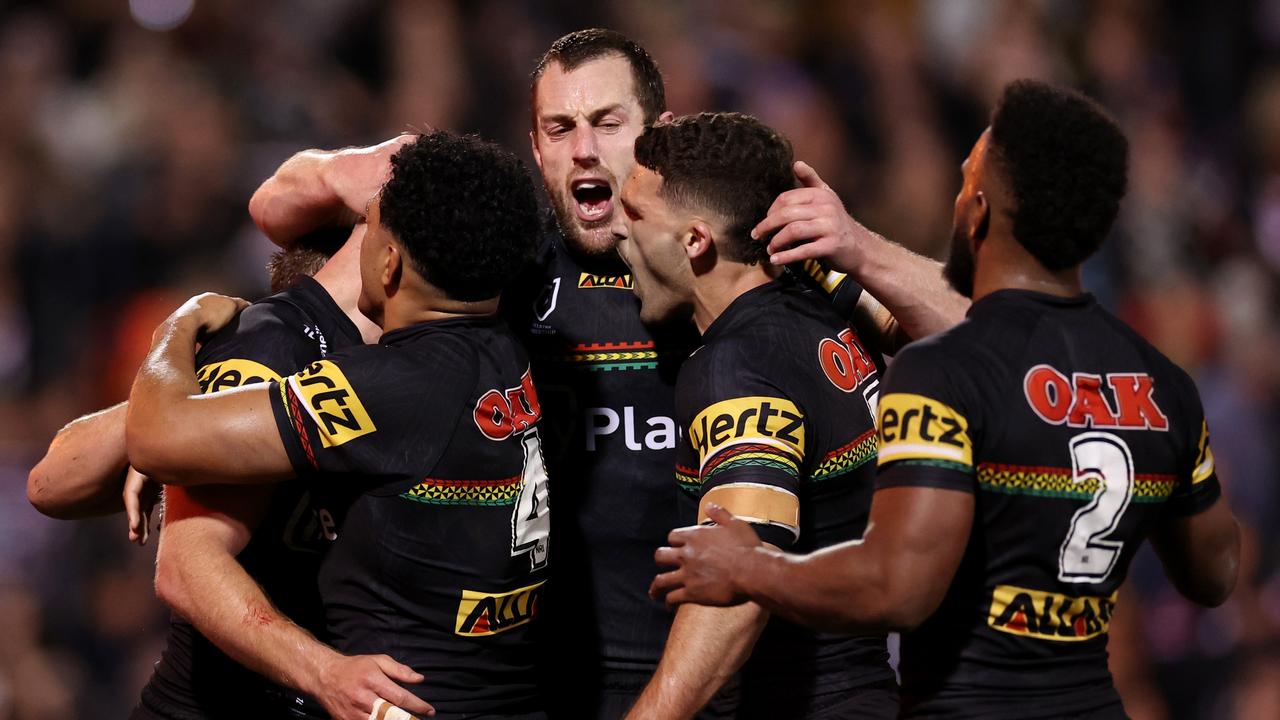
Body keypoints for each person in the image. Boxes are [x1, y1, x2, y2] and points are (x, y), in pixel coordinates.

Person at [249, 29, 965, 717]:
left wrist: (862, 250)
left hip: (720, 678)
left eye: (607, 121)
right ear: (534, 147)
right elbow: (277, 215)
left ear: (657, 131)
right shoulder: (496, 257)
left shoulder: (754, 249)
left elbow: (974, 338)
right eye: (559, 129)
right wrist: (353, 169)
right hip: (550, 684)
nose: (584, 149)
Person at [649, 80, 1242, 719]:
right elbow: (1217, 573)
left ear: (979, 212)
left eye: (964, 183)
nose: (953, 198)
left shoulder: (942, 375)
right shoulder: (1158, 381)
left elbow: (898, 587)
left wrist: (750, 566)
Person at [126, 131, 549, 720]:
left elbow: (155, 434)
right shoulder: (511, 351)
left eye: (369, 228)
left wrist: (178, 324)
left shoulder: (386, 388)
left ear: (390, 261)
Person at [27, 232, 434, 720]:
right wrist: (178, 357)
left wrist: (177, 420)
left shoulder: (399, 374)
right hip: (220, 701)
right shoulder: (265, 357)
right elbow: (50, 485)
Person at [611, 112, 898, 719]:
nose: (617, 231)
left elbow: (739, 583)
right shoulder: (822, 302)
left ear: (695, 240)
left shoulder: (735, 371)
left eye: (635, 214)